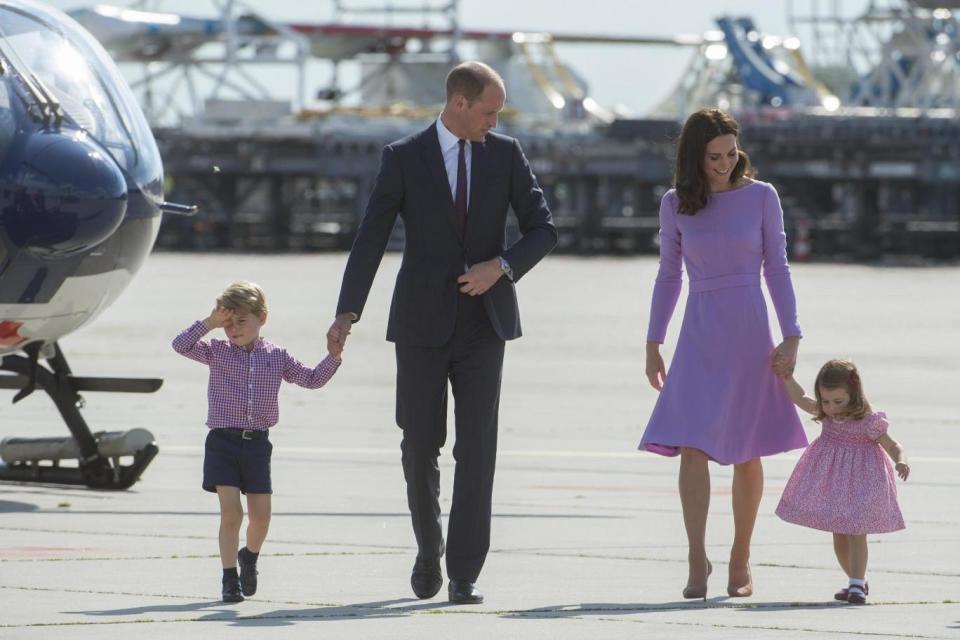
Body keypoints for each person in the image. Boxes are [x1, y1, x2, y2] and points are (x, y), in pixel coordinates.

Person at [326, 61, 557, 604]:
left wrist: (498, 266)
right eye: (488, 111)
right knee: (419, 445)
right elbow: (371, 237)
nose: (494, 121)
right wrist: (347, 312)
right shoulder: (403, 158)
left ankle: (464, 572)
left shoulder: (505, 154)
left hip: (487, 324)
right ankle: (428, 552)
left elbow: (544, 229)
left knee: (477, 450)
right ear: (458, 103)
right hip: (420, 325)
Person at [639, 108, 808, 600]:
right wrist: (653, 341)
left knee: (747, 448)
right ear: (695, 156)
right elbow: (669, 274)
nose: (725, 163)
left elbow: (778, 268)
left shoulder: (761, 196)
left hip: (751, 330)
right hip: (699, 330)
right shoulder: (676, 203)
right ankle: (697, 555)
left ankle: (740, 555)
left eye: (732, 153)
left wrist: (792, 334)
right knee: (692, 446)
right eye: (714, 156)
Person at [173, 280, 341, 603]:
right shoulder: (217, 352)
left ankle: (249, 555)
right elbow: (180, 345)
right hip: (222, 442)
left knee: (261, 517)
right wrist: (209, 323)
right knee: (231, 513)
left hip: (257, 446)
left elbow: (311, 379)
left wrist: (332, 357)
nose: (233, 330)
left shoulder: (276, 356)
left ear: (261, 318)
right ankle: (228, 578)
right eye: (228, 323)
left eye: (241, 321)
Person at [776, 359, 908, 605]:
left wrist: (900, 460)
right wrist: (786, 376)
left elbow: (892, 444)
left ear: (853, 394)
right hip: (835, 484)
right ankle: (857, 579)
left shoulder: (868, 422)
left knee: (857, 532)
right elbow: (800, 398)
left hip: (863, 484)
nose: (831, 408)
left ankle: (856, 585)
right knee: (839, 535)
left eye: (838, 401)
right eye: (825, 401)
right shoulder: (826, 415)